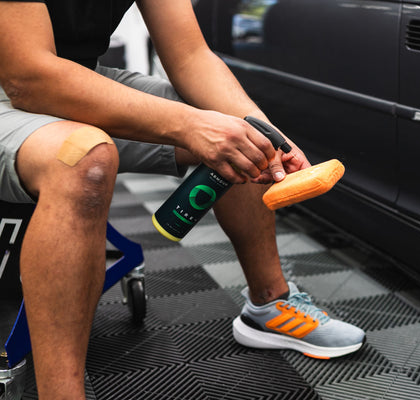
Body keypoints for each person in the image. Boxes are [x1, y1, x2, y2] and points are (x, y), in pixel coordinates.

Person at [0, 0, 365, 398]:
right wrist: (191, 127)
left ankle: (268, 305)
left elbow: (190, 54)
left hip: (75, 77)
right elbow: (29, 78)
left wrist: (261, 132)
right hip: (16, 84)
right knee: (84, 161)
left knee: (241, 131)